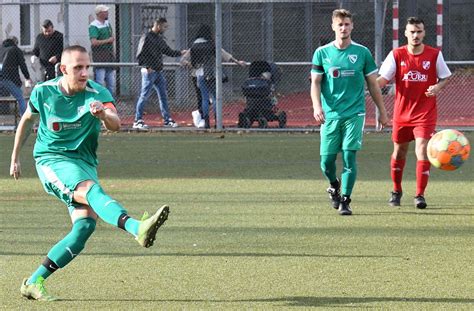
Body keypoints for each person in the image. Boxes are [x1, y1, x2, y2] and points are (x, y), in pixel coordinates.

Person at [10, 45, 170, 301]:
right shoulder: (44, 92)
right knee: (92, 191)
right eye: (78, 68)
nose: (85, 73)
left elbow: (116, 125)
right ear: (63, 69)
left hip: (84, 163)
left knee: (83, 228)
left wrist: (103, 114)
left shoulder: (98, 93)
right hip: (51, 160)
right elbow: (27, 120)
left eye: (87, 67)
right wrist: (15, 156)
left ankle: (33, 281)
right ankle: (136, 227)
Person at [310, 9, 388, 216]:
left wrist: (381, 110)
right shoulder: (322, 53)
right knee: (326, 162)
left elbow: (373, 84)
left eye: (347, 24)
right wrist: (317, 107)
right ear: (333, 27)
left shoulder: (362, 53)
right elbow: (316, 83)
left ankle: (346, 200)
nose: (343, 28)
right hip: (330, 115)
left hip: (355, 114)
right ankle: (334, 185)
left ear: (352, 26)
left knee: (349, 156)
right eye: (340, 24)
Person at [378, 17, 451, 209]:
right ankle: (396, 190)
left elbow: (445, 77)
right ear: (405, 33)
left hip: (425, 114)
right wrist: (366, 86)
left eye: (419, 31)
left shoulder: (434, 55)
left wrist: (437, 87)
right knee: (399, 151)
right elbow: (382, 80)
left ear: (424, 33)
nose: (415, 35)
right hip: (401, 114)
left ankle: (419, 195)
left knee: (422, 150)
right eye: (412, 31)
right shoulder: (396, 54)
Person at [182, 24, 246, 129]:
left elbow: (183, 60)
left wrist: (191, 65)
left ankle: (206, 121)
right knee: (216, 97)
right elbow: (225, 55)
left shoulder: (194, 46)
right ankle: (218, 122)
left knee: (204, 98)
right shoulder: (212, 45)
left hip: (199, 73)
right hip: (212, 73)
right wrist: (237, 62)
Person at [133, 18, 186, 130]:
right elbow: (139, 54)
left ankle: (167, 120)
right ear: (158, 26)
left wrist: (180, 53)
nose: (165, 29)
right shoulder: (146, 37)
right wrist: (147, 67)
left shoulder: (159, 39)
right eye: (164, 27)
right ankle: (138, 120)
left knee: (163, 96)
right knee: (144, 96)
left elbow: (168, 51)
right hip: (149, 72)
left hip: (158, 71)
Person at [0, 36, 33, 116]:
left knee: (3, 98)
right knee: (20, 98)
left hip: (1, 77)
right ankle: (25, 118)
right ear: (15, 43)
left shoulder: (1, 49)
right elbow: (22, 65)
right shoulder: (16, 50)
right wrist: (27, 77)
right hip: (8, 78)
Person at [89, 4, 116, 95]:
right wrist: (108, 40)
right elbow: (94, 42)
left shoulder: (107, 23)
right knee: (99, 82)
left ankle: (110, 102)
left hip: (109, 56)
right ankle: (99, 101)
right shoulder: (94, 25)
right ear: (99, 13)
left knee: (111, 83)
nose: (107, 13)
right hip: (100, 56)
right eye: (105, 12)